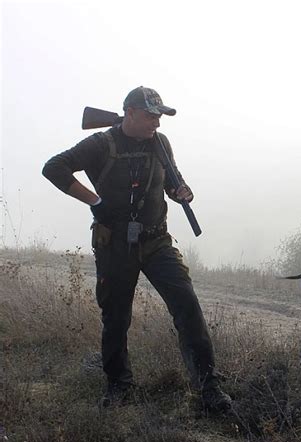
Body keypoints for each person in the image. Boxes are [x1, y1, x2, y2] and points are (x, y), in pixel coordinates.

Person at [42, 86, 231, 411]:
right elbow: (54, 168)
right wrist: (95, 200)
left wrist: (180, 190)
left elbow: (171, 180)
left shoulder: (160, 143)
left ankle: (208, 385)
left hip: (157, 240)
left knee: (186, 304)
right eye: (150, 116)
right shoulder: (101, 144)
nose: (156, 123)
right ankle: (118, 385)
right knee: (115, 317)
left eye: (159, 116)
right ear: (129, 112)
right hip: (114, 243)